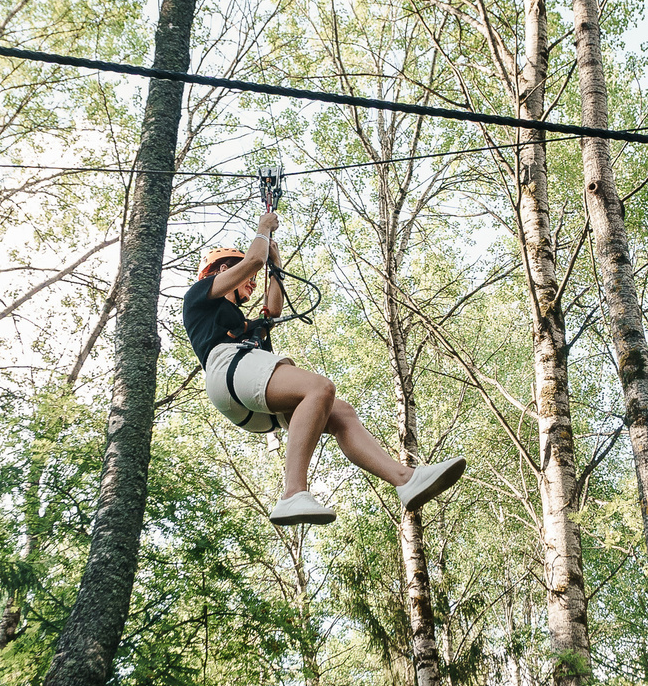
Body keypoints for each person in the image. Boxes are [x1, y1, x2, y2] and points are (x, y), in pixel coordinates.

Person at [183, 209, 465, 526]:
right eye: (246, 280)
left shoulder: (240, 321)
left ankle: (405, 479)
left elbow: (272, 310)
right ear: (223, 269)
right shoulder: (199, 297)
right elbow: (253, 261)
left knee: (341, 412)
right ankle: (293, 493)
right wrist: (263, 228)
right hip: (229, 368)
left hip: (247, 397)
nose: (251, 283)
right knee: (318, 388)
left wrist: (276, 268)